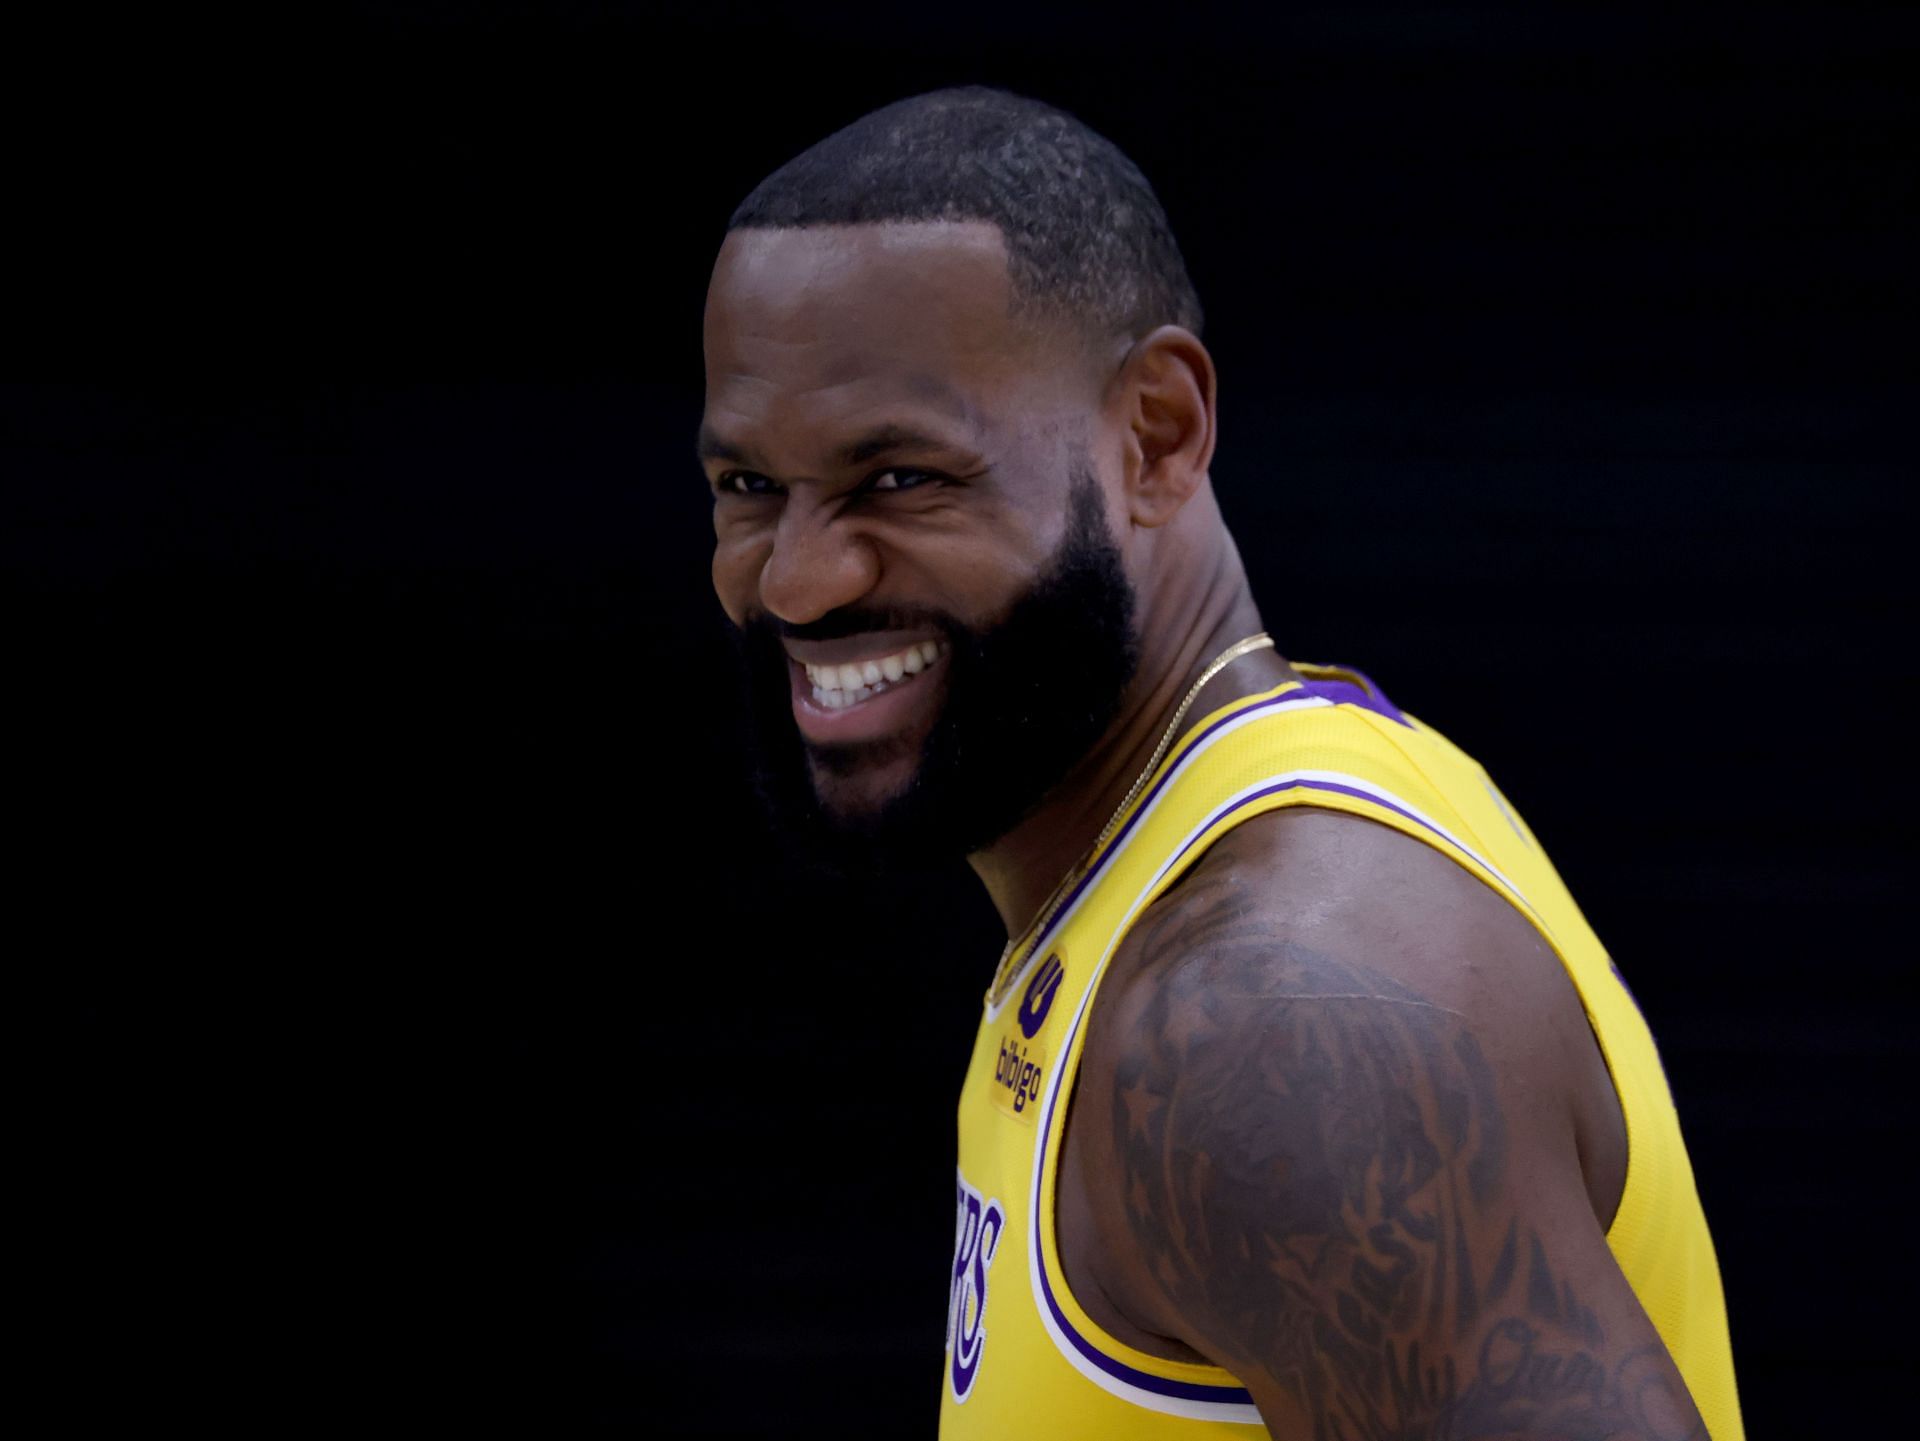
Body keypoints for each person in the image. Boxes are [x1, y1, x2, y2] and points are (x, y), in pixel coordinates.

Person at [699, 86, 1743, 1440]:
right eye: (747, 488)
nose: (796, 577)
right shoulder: (1222, 837)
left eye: (899, 478)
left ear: (1157, 435)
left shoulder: (1255, 1026)